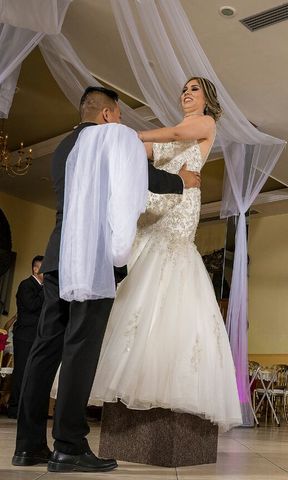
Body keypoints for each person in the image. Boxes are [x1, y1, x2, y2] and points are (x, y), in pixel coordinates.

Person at [13, 86, 201, 472]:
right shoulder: (113, 137)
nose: (122, 124)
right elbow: (142, 175)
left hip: (56, 257)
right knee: (81, 348)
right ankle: (69, 445)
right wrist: (182, 180)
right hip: (92, 258)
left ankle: (29, 446)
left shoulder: (64, 148)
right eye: (120, 116)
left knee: (45, 349)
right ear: (108, 115)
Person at [89, 77, 242, 433]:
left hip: (181, 208)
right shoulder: (167, 134)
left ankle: (172, 385)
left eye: (194, 90)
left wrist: (127, 133)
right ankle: (132, 380)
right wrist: (111, 142)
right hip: (155, 206)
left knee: (170, 275)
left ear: (207, 100)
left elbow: (174, 136)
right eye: (184, 90)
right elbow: (143, 154)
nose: (186, 94)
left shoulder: (205, 124)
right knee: (139, 279)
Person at [7, 256, 44, 418]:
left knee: (33, 373)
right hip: (25, 335)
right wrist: (46, 290)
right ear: (35, 269)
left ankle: (26, 409)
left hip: (36, 335)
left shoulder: (41, 287)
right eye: (44, 268)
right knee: (21, 371)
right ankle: (14, 408)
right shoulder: (26, 285)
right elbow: (32, 306)